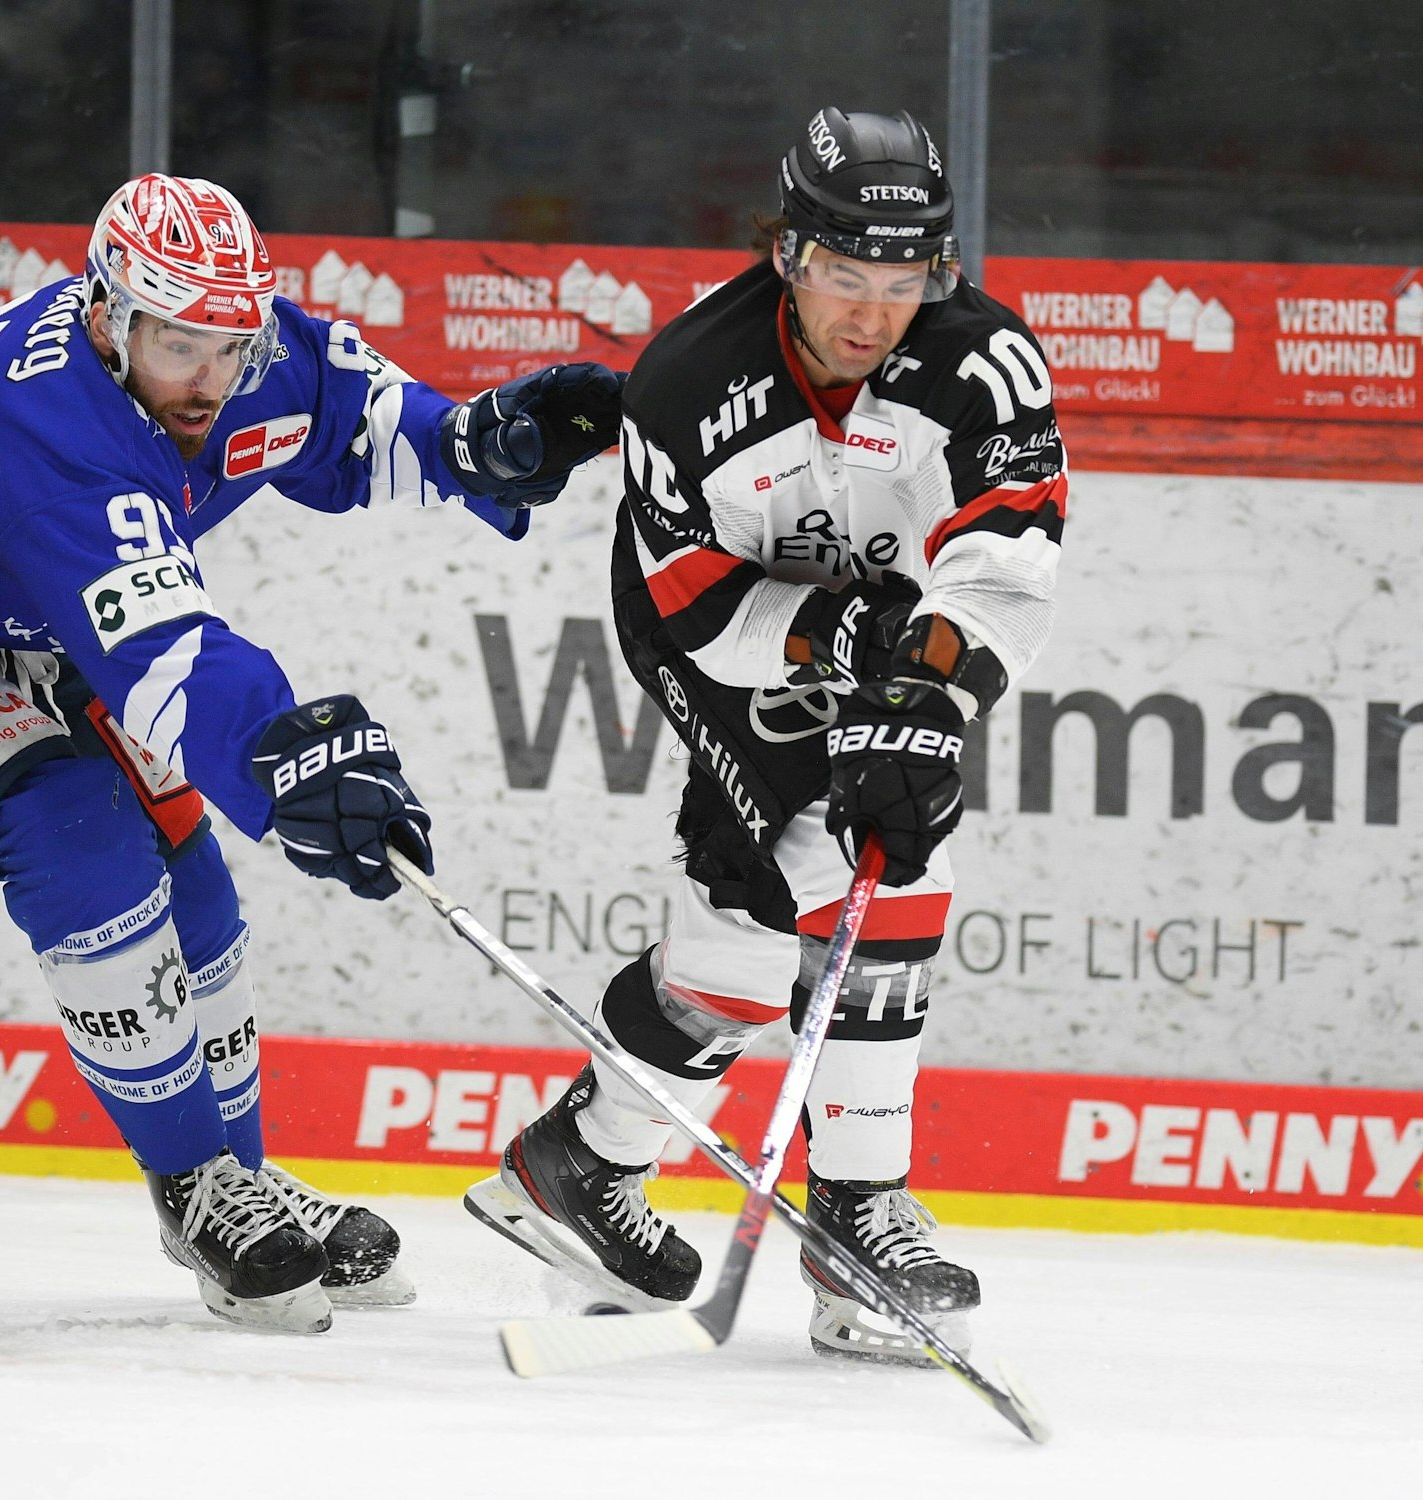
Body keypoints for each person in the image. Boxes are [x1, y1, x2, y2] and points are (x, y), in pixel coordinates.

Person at [0, 174, 622, 1335]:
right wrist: (283, 753)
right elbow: (161, 654)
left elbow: (353, 415)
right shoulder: (34, 420)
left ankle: (238, 1176)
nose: (210, 380)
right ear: (106, 313)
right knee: (77, 833)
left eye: (230, 342)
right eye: (178, 344)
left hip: (10, 599)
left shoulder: (224, 350)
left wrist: (473, 442)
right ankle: (190, 1185)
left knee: (186, 860)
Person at [466, 108, 1067, 1363]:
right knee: (871, 860)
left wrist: (922, 699)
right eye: (845, 276)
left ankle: (576, 1161)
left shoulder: (984, 367)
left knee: (744, 939)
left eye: (904, 283)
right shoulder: (690, 380)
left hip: (895, 641)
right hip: (719, 636)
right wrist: (843, 646)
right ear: (786, 252)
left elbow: (1005, 562)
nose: (871, 314)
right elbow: (693, 604)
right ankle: (857, 1221)